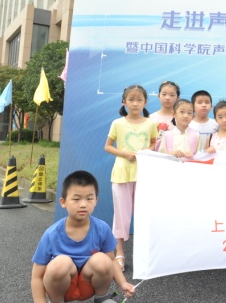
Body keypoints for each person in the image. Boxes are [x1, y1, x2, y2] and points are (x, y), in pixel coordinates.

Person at [31, 171, 135, 303]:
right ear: (63, 202)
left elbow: (112, 260)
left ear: (96, 200)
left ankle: (102, 299)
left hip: (88, 285)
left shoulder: (102, 229)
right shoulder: (52, 234)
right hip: (63, 289)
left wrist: (123, 283)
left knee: (103, 260)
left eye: (89, 198)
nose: (83, 204)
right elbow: (37, 276)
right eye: (76, 199)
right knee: (61, 263)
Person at [104, 85, 157, 272]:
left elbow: (154, 143)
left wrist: (146, 151)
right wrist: (124, 153)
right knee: (121, 215)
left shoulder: (150, 124)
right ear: (124, 102)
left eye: (139, 100)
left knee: (144, 214)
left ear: (145, 102)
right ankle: (119, 252)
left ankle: (145, 254)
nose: (135, 104)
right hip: (122, 173)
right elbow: (108, 146)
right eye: (131, 100)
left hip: (144, 173)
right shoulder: (117, 123)